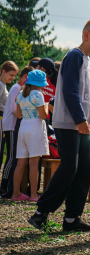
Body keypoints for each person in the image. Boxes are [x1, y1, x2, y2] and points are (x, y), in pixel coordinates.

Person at [28, 20, 90, 231]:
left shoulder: (87, 61)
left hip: (81, 124)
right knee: (69, 167)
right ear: (86, 35)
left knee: (83, 170)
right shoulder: (74, 56)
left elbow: (84, 93)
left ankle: (72, 218)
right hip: (68, 123)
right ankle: (40, 213)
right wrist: (81, 119)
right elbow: (70, 91)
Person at [10, 70, 50, 201]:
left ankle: (16, 193)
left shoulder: (20, 94)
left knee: (20, 162)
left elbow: (19, 115)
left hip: (23, 127)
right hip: (35, 128)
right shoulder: (38, 95)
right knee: (34, 163)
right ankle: (33, 194)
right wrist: (46, 106)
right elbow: (43, 116)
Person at [0, 66, 31, 198]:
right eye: (11, 75)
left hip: (12, 125)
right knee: (12, 157)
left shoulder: (14, 88)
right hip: (11, 125)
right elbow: (14, 108)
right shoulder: (17, 88)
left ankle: (7, 186)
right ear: (25, 78)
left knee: (13, 157)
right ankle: (4, 186)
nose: (12, 78)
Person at [0, 62, 19, 179]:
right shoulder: (1, 86)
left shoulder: (3, 85)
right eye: (11, 75)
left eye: (14, 76)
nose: (13, 78)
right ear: (3, 72)